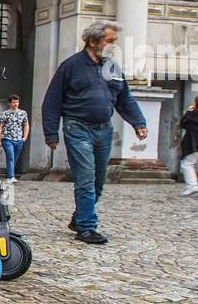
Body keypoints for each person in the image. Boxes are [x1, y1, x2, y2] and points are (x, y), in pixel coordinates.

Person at [42, 21, 148, 244]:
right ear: (92, 41)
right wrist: (51, 133)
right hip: (77, 128)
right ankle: (87, 228)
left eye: (115, 42)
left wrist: (138, 122)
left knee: (99, 181)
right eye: (110, 41)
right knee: (86, 178)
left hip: (104, 130)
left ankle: (80, 217)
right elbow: (52, 100)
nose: (113, 46)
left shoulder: (113, 68)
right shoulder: (70, 66)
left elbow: (125, 99)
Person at [0, 94, 30, 181]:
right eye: (13, 102)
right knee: (10, 156)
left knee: (14, 158)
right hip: (7, 138)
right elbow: (0, 127)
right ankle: (11, 176)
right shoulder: (5, 114)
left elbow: (26, 125)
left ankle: (9, 174)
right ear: (9, 103)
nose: (15, 104)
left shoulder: (23, 113)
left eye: (17, 102)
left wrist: (25, 137)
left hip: (19, 139)